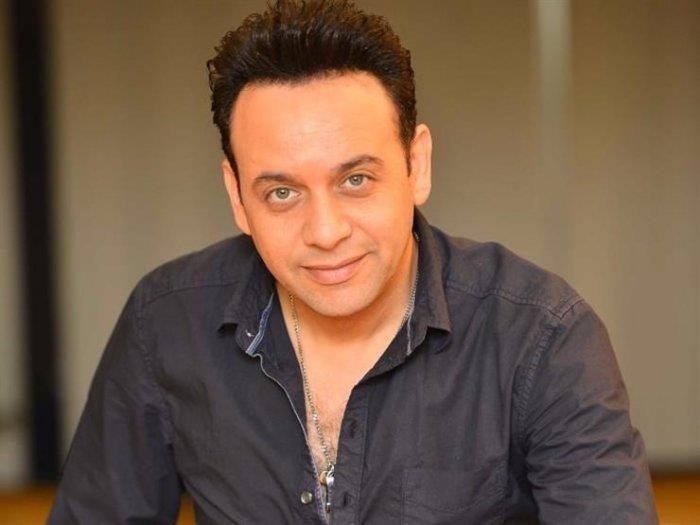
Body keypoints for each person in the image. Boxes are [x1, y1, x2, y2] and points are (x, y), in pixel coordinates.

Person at [49, 0, 657, 523]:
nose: (326, 232)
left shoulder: (541, 337)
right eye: (281, 192)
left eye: (356, 180)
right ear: (236, 197)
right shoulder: (166, 323)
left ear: (416, 165)